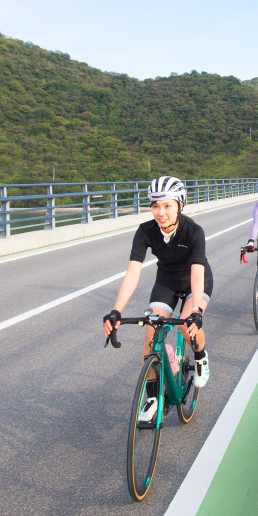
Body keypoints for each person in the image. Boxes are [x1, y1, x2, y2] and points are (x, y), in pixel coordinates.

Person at [103, 176, 211, 422]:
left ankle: (201, 356)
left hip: (196, 279)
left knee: (186, 324)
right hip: (166, 281)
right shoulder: (145, 231)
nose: (160, 212)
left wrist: (196, 311)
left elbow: (197, 272)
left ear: (180, 205)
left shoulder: (194, 231)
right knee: (151, 333)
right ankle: (152, 397)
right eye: (155, 206)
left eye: (167, 206)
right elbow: (132, 272)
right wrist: (116, 311)